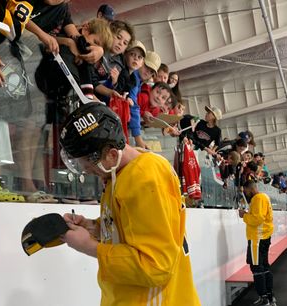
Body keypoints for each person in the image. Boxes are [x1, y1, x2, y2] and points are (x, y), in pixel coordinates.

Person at [58, 102, 201, 305]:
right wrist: (93, 227)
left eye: (92, 168)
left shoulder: (144, 178)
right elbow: (131, 228)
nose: (90, 173)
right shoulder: (122, 173)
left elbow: (156, 266)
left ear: (112, 155)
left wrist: (89, 246)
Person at [238, 180, 276, 306]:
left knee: (256, 267)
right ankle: (270, 296)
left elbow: (257, 219)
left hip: (257, 239)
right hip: (263, 237)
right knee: (264, 266)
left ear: (250, 189)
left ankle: (264, 298)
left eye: (246, 191)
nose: (246, 193)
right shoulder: (263, 197)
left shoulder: (258, 198)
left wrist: (244, 215)